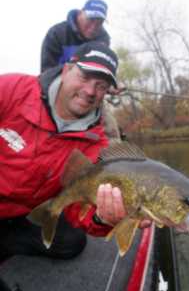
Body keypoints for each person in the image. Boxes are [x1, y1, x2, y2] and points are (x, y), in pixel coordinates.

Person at [0, 41, 139, 264]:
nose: (90, 91)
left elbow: (78, 208)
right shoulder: (12, 88)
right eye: (84, 77)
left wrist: (102, 218)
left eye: (101, 85)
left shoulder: (97, 146)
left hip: (23, 212)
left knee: (71, 242)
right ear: (66, 71)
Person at [41, 0, 110, 72]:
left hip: (89, 82)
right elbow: (47, 72)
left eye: (99, 23)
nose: (93, 27)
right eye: (91, 20)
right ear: (80, 14)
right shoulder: (57, 33)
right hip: (58, 81)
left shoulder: (103, 41)